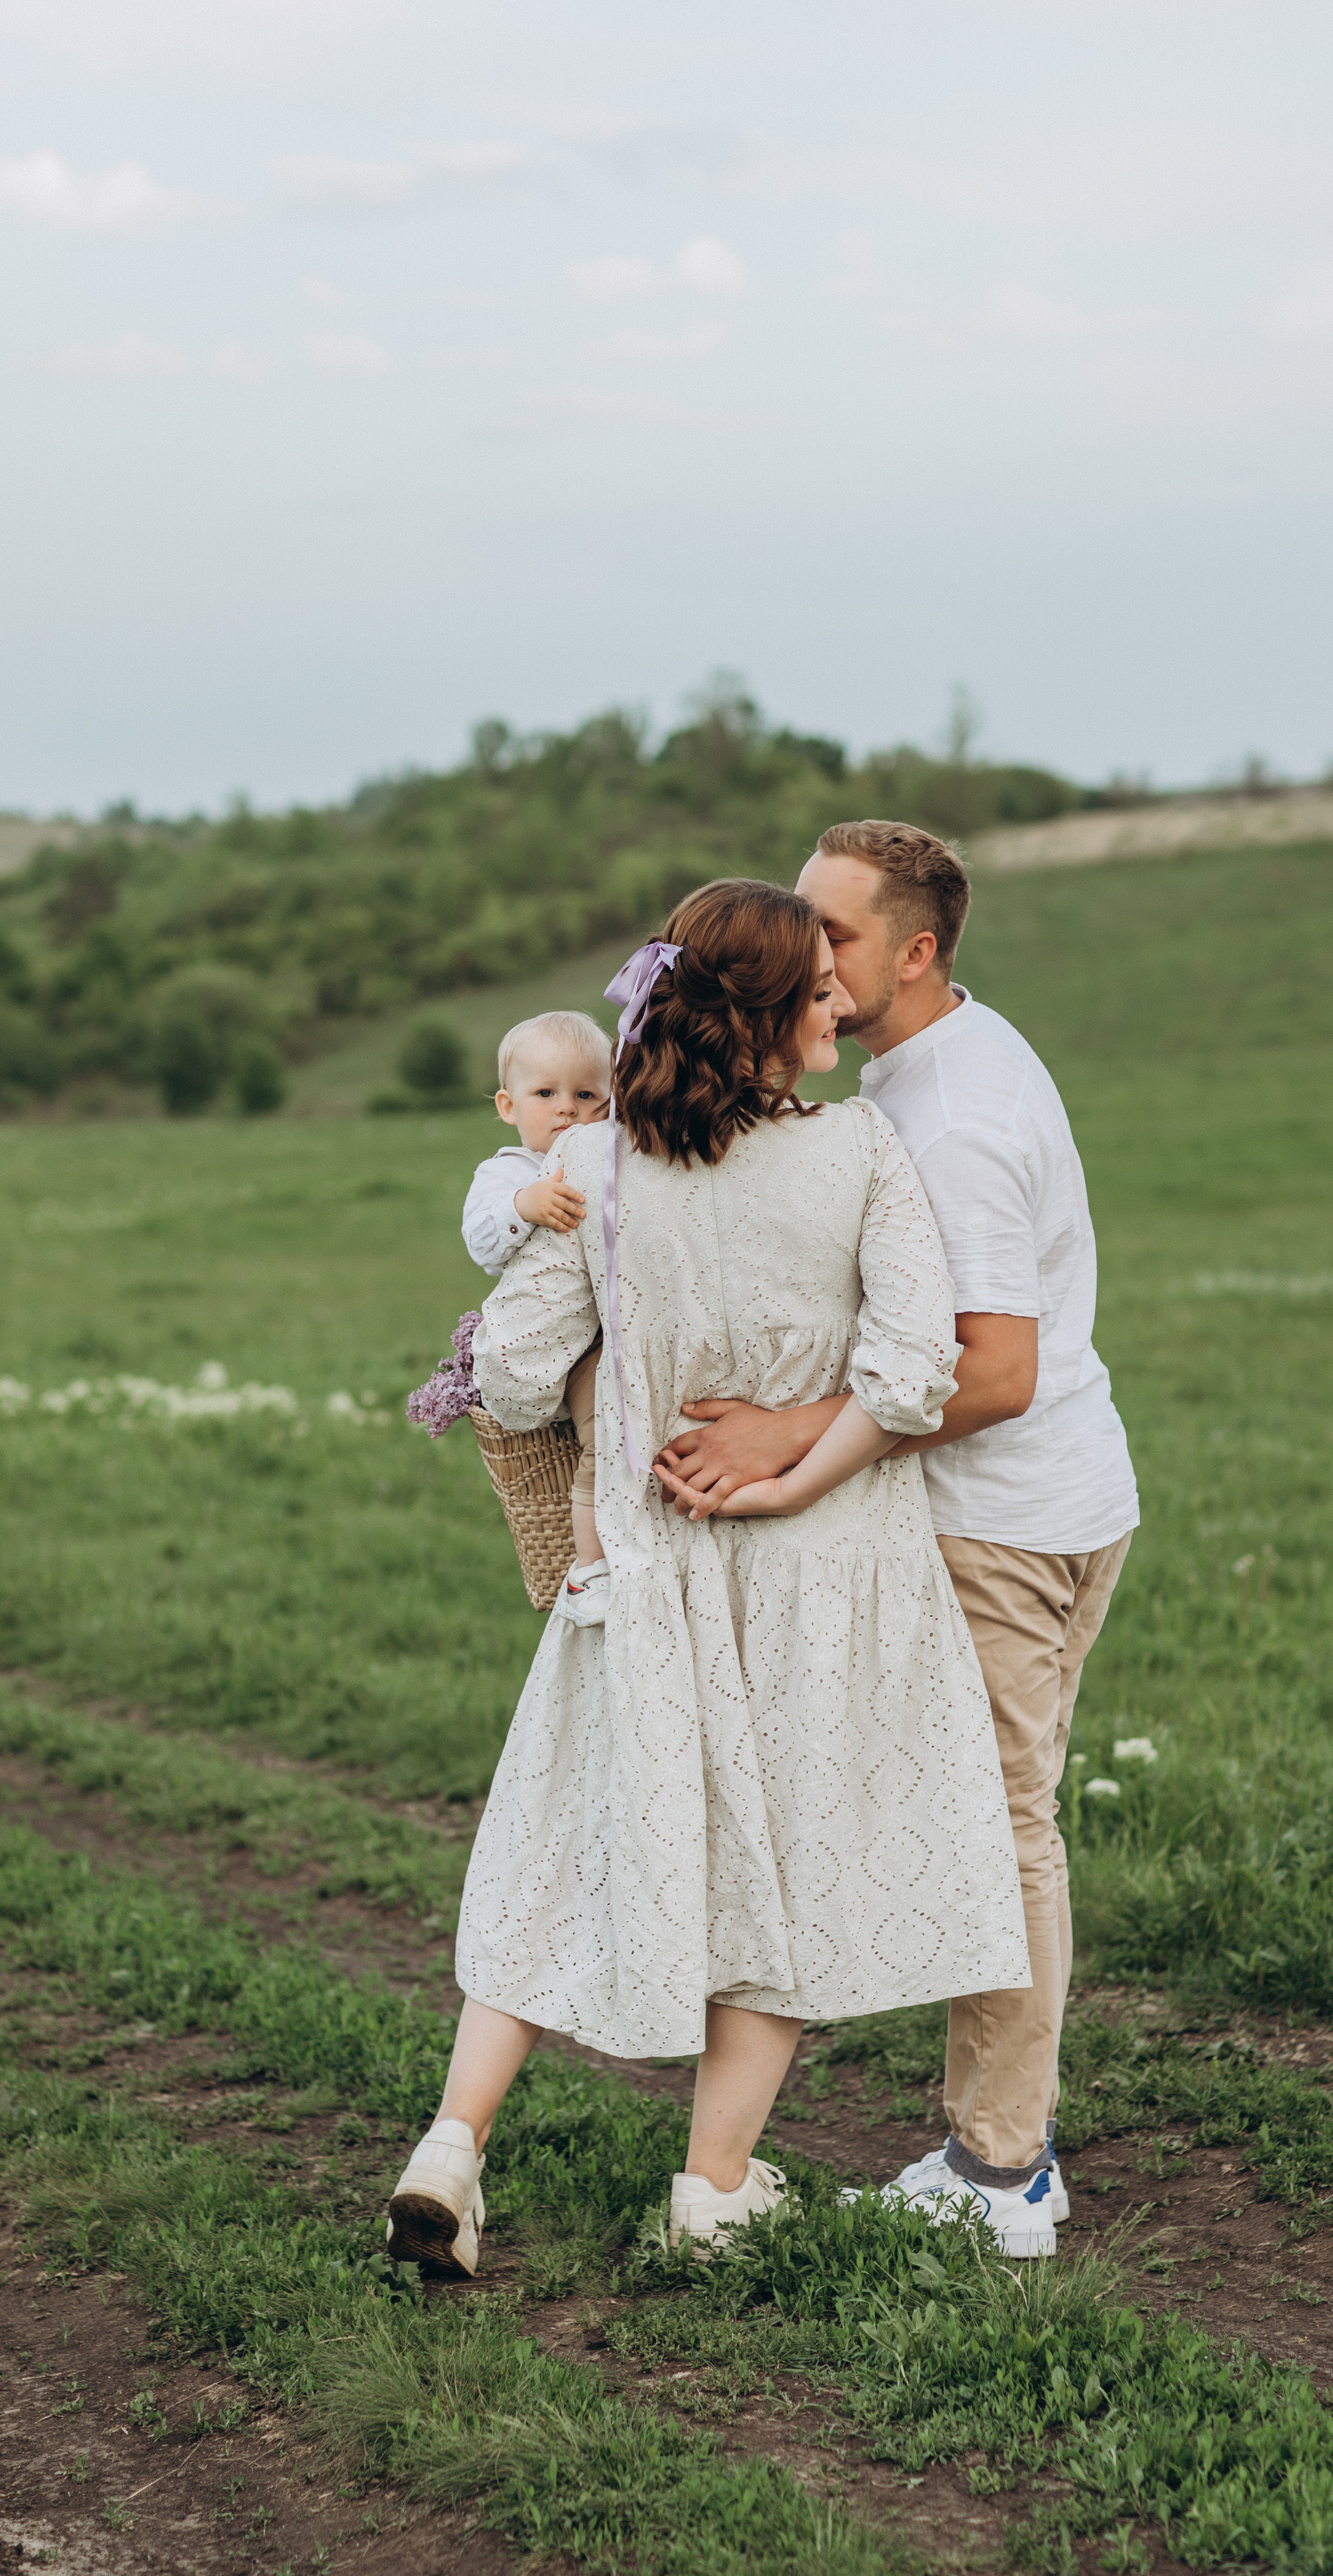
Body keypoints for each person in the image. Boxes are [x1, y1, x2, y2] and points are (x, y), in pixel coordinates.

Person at [384, 879, 1030, 2279]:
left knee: (558, 1855)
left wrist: (607, 1423)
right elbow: (913, 1370)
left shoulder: (604, 1167)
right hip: (825, 1576)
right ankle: (712, 2189)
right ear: (762, 1020)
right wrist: (795, 1476)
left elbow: (501, 1365)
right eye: (816, 994)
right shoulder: (857, 1150)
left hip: (642, 1572)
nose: (840, 1009)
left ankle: (451, 2145)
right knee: (780, 1887)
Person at [655, 821, 1138, 2260]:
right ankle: (989, 2144)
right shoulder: (912, 1071)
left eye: (839, 932)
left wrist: (786, 1431)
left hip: (1005, 1519)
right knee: (992, 1824)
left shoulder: (954, 1116)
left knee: (1004, 1831)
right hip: (1020, 1504)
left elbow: (991, 1369)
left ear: (918, 950)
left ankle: (1003, 2177)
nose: (810, 950)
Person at [460, 1010, 612, 1625]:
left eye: (586, 1095)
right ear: (508, 1105)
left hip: (611, 1331)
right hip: (561, 1350)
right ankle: (590, 1567)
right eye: (545, 1094)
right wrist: (526, 1205)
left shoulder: (607, 1157)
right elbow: (481, 1242)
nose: (567, 1110)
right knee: (603, 1439)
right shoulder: (507, 1173)